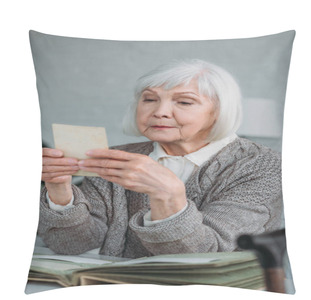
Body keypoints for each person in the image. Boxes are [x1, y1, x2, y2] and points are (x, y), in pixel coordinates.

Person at [39, 59, 283, 258]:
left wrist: (168, 194)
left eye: (185, 101)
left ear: (219, 113)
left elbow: (206, 255)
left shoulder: (264, 166)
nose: (159, 111)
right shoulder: (116, 157)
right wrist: (60, 190)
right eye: (149, 99)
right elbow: (72, 246)